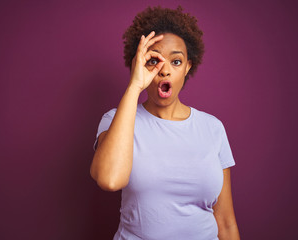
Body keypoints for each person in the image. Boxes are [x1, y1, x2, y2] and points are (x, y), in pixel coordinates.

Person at [90, 6, 240, 240]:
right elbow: (110, 179)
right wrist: (135, 86)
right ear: (138, 65)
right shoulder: (116, 120)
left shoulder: (213, 128)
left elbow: (226, 222)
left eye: (176, 62)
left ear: (188, 67)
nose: (165, 71)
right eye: (154, 60)